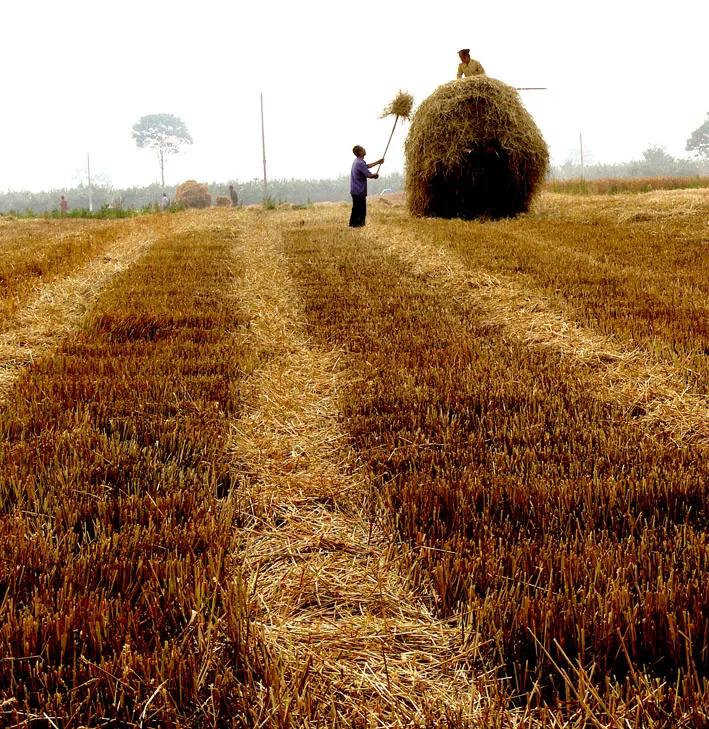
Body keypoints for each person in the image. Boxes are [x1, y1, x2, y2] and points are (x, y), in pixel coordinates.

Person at [349, 145, 383, 228]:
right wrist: (374, 176)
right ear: (360, 152)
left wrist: (378, 162)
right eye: (362, 149)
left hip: (355, 189)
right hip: (359, 190)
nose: (364, 149)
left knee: (356, 208)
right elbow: (369, 175)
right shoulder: (360, 163)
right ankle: (359, 225)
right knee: (361, 210)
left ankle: (353, 225)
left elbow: (366, 166)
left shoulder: (357, 161)